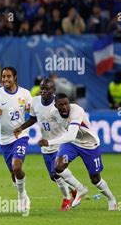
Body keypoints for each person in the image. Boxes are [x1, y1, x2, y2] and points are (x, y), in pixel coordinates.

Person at [14, 79, 88, 211]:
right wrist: (21, 127)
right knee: (53, 176)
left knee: (58, 171)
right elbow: (33, 118)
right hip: (47, 144)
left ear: (53, 91)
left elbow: (69, 117)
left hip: (60, 142)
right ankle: (74, 189)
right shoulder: (35, 101)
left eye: (46, 89)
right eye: (41, 88)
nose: (43, 91)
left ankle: (69, 196)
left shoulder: (58, 104)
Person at [39, 93, 117, 211]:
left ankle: (111, 198)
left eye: (66, 104)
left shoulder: (77, 111)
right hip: (72, 145)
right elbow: (46, 124)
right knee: (58, 167)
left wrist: (49, 142)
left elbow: (70, 135)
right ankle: (80, 188)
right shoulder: (53, 113)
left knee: (95, 178)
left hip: (89, 145)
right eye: (61, 105)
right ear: (55, 105)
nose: (64, 107)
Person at [0, 66, 32, 212]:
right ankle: (22, 193)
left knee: (17, 167)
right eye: (3, 77)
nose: (5, 79)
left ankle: (22, 196)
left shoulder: (25, 93)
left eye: (8, 76)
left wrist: (30, 109)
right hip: (4, 140)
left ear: (15, 77)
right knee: (13, 172)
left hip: (20, 135)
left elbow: (34, 112)